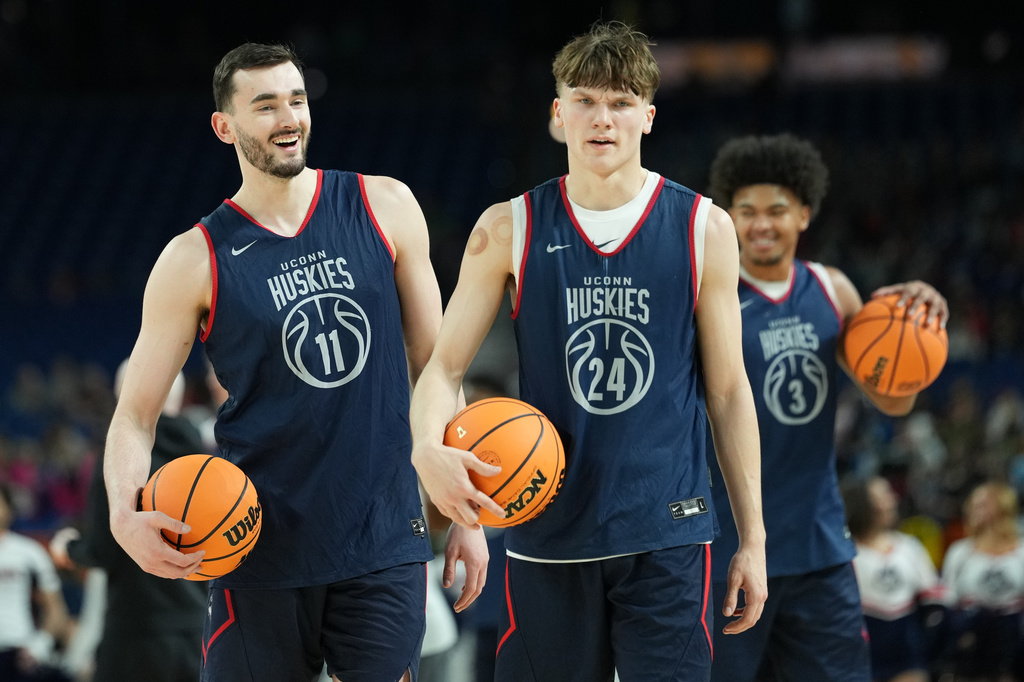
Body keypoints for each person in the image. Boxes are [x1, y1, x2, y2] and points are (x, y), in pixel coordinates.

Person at [102, 42, 487, 682]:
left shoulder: (384, 205)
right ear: (224, 126)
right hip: (254, 544)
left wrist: (467, 513)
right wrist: (122, 515)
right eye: (265, 105)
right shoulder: (193, 259)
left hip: (382, 538)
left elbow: (436, 367)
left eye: (297, 100)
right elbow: (135, 418)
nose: (288, 118)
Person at [410, 21, 767, 682]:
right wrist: (427, 449)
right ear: (559, 112)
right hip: (547, 526)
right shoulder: (508, 226)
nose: (603, 118)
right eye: (585, 100)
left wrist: (754, 538)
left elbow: (727, 391)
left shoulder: (704, 227)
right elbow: (443, 369)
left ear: (648, 116)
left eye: (621, 102)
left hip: (667, 530)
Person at [704, 132, 950, 682]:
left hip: (819, 546)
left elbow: (892, 399)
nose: (761, 224)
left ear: (804, 214)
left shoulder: (832, 289)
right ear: (729, 218)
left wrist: (916, 327)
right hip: (727, 549)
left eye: (776, 210)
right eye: (746, 211)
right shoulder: (709, 295)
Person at [50, 362, 207, 682]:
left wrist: (67, 548)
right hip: (198, 633)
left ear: (124, 395)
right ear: (179, 398)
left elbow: (104, 550)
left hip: (135, 633)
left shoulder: (117, 460)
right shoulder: (207, 463)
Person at [842, 475, 947, 682]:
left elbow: (934, 603)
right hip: (859, 655)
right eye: (884, 495)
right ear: (862, 503)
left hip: (906, 654)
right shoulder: (847, 553)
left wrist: (928, 646)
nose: (892, 500)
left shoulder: (909, 547)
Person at [941, 482, 1024, 682]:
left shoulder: (1021, 551)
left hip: (1014, 646)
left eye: (984, 504)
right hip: (971, 647)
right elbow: (947, 599)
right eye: (973, 504)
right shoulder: (960, 552)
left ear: (1003, 507)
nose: (975, 509)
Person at [0, 483, 73, 682]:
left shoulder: (29, 552)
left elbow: (56, 608)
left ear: (9, 509)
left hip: (17, 652)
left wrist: (40, 645)